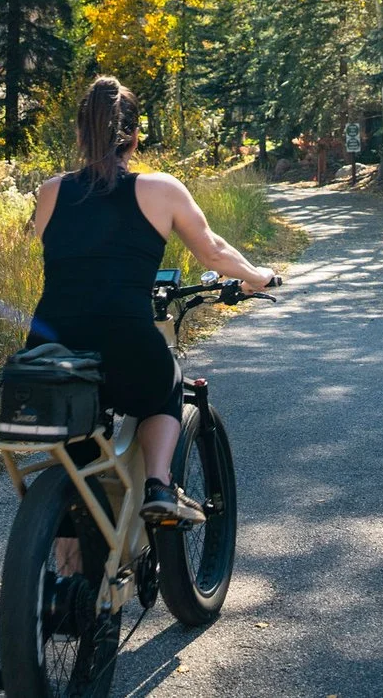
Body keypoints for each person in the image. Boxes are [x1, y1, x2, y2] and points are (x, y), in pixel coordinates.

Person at [29, 76, 281, 527]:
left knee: (77, 450)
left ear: (82, 133)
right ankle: (160, 486)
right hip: (123, 340)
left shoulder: (51, 191)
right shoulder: (160, 189)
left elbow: (67, 254)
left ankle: (61, 573)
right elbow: (213, 252)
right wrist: (257, 276)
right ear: (135, 134)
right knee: (166, 381)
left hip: (49, 346)